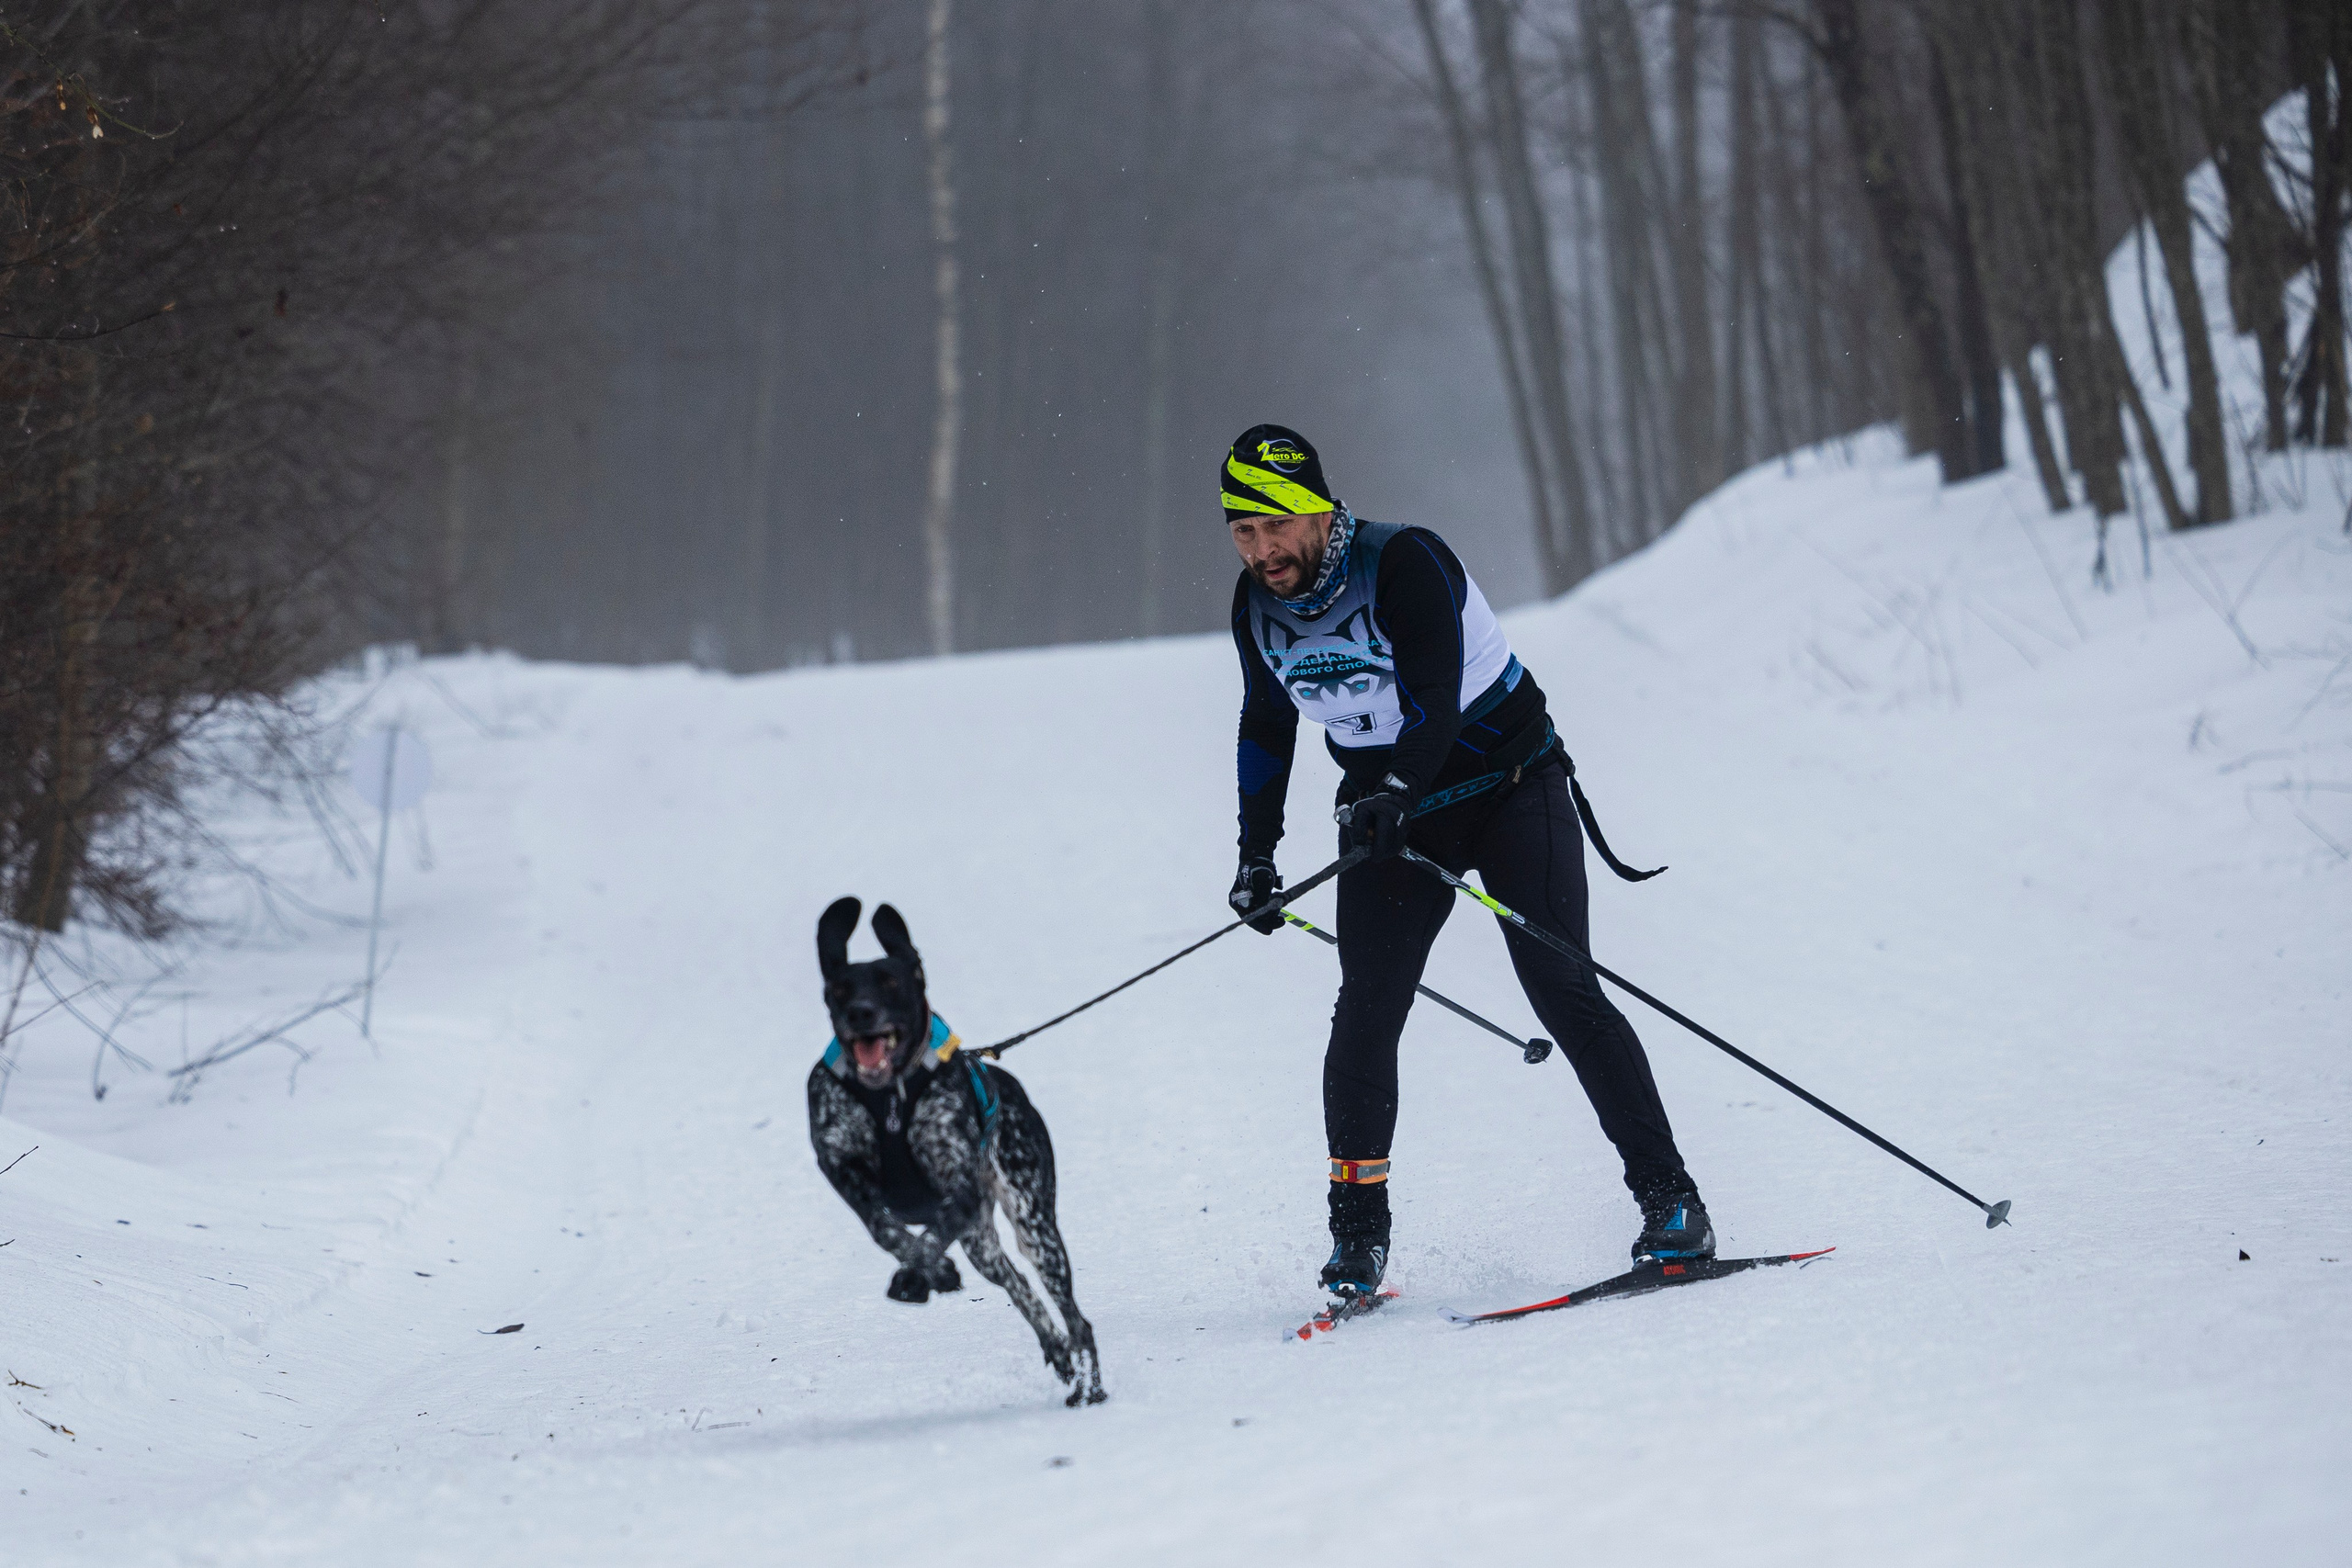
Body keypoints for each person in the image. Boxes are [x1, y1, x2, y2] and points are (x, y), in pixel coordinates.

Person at [1220, 423, 1712, 1300]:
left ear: (1318, 508)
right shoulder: (1254, 607)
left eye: (1274, 526)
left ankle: (1672, 1201)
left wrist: (1396, 788)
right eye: (1242, 531)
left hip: (1507, 785)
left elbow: (1433, 699)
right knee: (1367, 1004)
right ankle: (1358, 1236)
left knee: (1563, 987)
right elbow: (1267, 725)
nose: (1261, 551)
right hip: (1395, 814)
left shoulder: (1403, 561)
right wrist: (1256, 856)